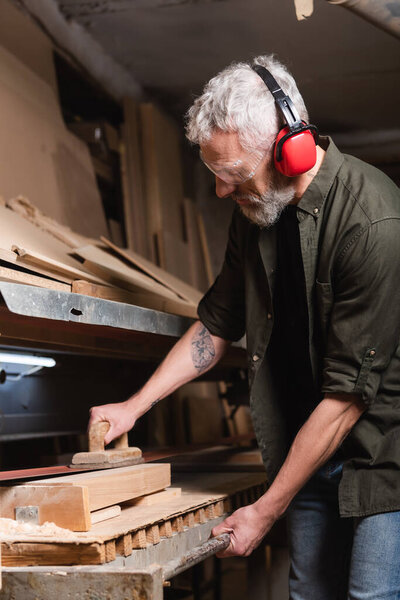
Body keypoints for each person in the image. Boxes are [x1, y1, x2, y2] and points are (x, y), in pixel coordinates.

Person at [89, 55, 400, 598]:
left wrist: (264, 511)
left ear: (289, 150)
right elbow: (217, 323)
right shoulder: (257, 216)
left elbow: (346, 399)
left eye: (231, 175)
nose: (221, 192)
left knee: (369, 595)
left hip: (381, 458)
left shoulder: (373, 223)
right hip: (305, 451)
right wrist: (133, 408)